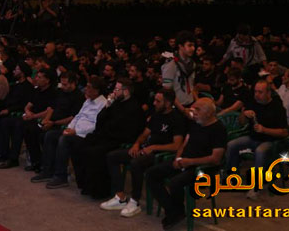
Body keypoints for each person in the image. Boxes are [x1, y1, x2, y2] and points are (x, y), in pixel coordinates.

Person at [101, 89, 186, 217]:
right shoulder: (156, 115)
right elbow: (144, 134)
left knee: (136, 163)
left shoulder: (176, 119)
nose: (154, 103)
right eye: (154, 100)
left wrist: (154, 147)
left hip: (160, 154)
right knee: (112, 156)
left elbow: (176, 146)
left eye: (158, 101)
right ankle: (120, 197)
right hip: (145, 149)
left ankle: (135, 201)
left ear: (168, 103)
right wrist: (136, 144)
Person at [146, 98, 227, 230]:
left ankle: (175, 212)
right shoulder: (196, 123)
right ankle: (174, 211)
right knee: (151, 174)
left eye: (198, 109)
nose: (193, 112)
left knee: (175, 182)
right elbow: (184, 143)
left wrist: (190, 162)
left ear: (208, 113)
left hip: (202, 168)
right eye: (193, 109)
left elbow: (215, 159)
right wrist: (178, 158)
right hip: (185, 161)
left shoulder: (218, 129)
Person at [68, 78, 144, 198]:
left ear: (126, 92)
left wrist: (107, 131)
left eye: (117, 90)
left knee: (94, 152)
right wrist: (107, 105)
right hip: (106, 135)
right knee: (80, 144)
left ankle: (100, 190)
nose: (114, 92)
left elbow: (127, 129)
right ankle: (84, 183)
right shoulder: (116, 103)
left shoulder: (134, 107)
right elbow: (100, 120)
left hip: (119, 139)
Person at [33, 76, 107, 187]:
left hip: (86, 135)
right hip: (74, 131)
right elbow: (78, 116)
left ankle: (61, 176)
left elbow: (95, 125)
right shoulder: (88, 101)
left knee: (64, 140)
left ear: (96, 90)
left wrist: (75, 131)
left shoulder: (103, 104)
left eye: (89, 87)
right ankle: (48, 170)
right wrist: (70, 128)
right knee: (50, 135)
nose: (85, 89)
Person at [224, 79, 289, 200]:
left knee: (260, 150)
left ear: (268, 93)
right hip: (253, 137)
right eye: (255, 92)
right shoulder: (253, 103)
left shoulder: (277, 107)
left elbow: (284, 132)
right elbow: (241, 122)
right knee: (232, 144)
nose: (257, 95)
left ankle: (256, 186)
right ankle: (232, 177)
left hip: (270, 140)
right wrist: (244, 114)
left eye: (260, 92)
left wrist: (265, 130)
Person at [161, 31, 197, 115]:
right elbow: (168, 91)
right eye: (189, 45)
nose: (193, 48)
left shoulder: (192, 64)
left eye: (194, 45)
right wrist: (183, 110)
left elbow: (191, 86)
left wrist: (197, 101)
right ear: (180, 46)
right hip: (176, 108)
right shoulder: (171, 64)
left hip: (190, 104)